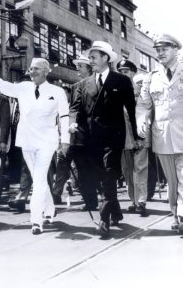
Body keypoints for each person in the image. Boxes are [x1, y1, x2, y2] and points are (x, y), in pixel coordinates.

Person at [0, 57, 70, 235]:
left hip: (47, 141)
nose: (32, 72)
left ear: (46, 71)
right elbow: (0, 84)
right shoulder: (23, 88)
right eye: (30, 69)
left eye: (36, 69)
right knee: (39, 178)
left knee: (38, 178)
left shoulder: (57, 91)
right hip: (27, 141)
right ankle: (50, 209)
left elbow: (64, 116)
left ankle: (36, 221)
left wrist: (65, 139)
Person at [70, 41, 140, 238]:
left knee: (109, 175)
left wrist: (136, 136)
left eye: (93, 57)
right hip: (91, 139)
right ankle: (115, 211)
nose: (90, 61)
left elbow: (132, 110)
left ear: (105, 58)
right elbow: (76, 108)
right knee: (101, 177)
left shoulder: (121, 81)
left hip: (113, 138)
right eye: (90, 57)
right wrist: (73, 122)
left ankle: (104, 220)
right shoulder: (84, 84)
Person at [136, 33, 183, 232]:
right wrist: (142, 120)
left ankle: (181, 214)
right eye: (158, 50)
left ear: (176, 50)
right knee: (172, 181)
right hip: (162, 136)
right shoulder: (151, 77)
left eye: (164, 49)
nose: (160, 53)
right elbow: (144, 105)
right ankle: (176, 214)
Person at [53, 54, 98, 210]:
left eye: (81, 65)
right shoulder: (75, 86)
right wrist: (71, 124)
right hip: (75, 135)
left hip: (92, 136)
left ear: (89, 68)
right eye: (77, 65)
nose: (77, 68)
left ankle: (96, 200)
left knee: (87, 169)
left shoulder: (98, 83)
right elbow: (73, 109)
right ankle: (57, 194)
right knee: (67, 163)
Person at [117, 60, 150, 217]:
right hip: (124, 138)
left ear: (132, 72)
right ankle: (134, 201)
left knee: (140, 169)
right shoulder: (117, 90)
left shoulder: (141, 89)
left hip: (140, 136)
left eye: (126, 71)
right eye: (120, 71)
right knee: (128, 171)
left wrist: (142, 134)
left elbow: (146, 111)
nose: (123, 74)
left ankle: (142, 201)